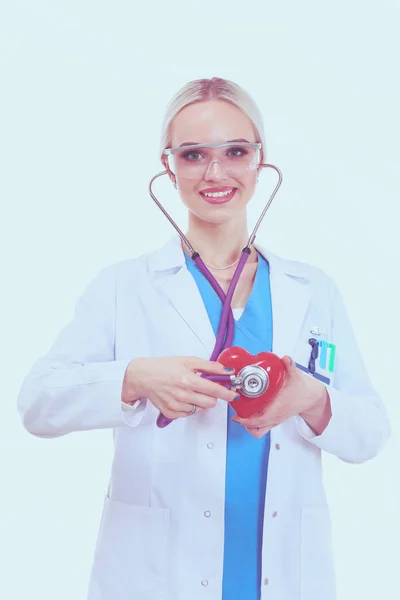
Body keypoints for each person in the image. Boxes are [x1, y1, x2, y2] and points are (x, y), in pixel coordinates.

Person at [17, 77, 390, 600]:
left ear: (261, 160)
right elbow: (37, 403)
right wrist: (135, 377)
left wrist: (313, 398)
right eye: (193, 155)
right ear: (169, 166)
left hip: (282, 576)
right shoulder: (125, 286)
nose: (216, 173)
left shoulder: (312, 290)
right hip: (156, 577)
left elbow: (369, 432)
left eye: (236, 151)